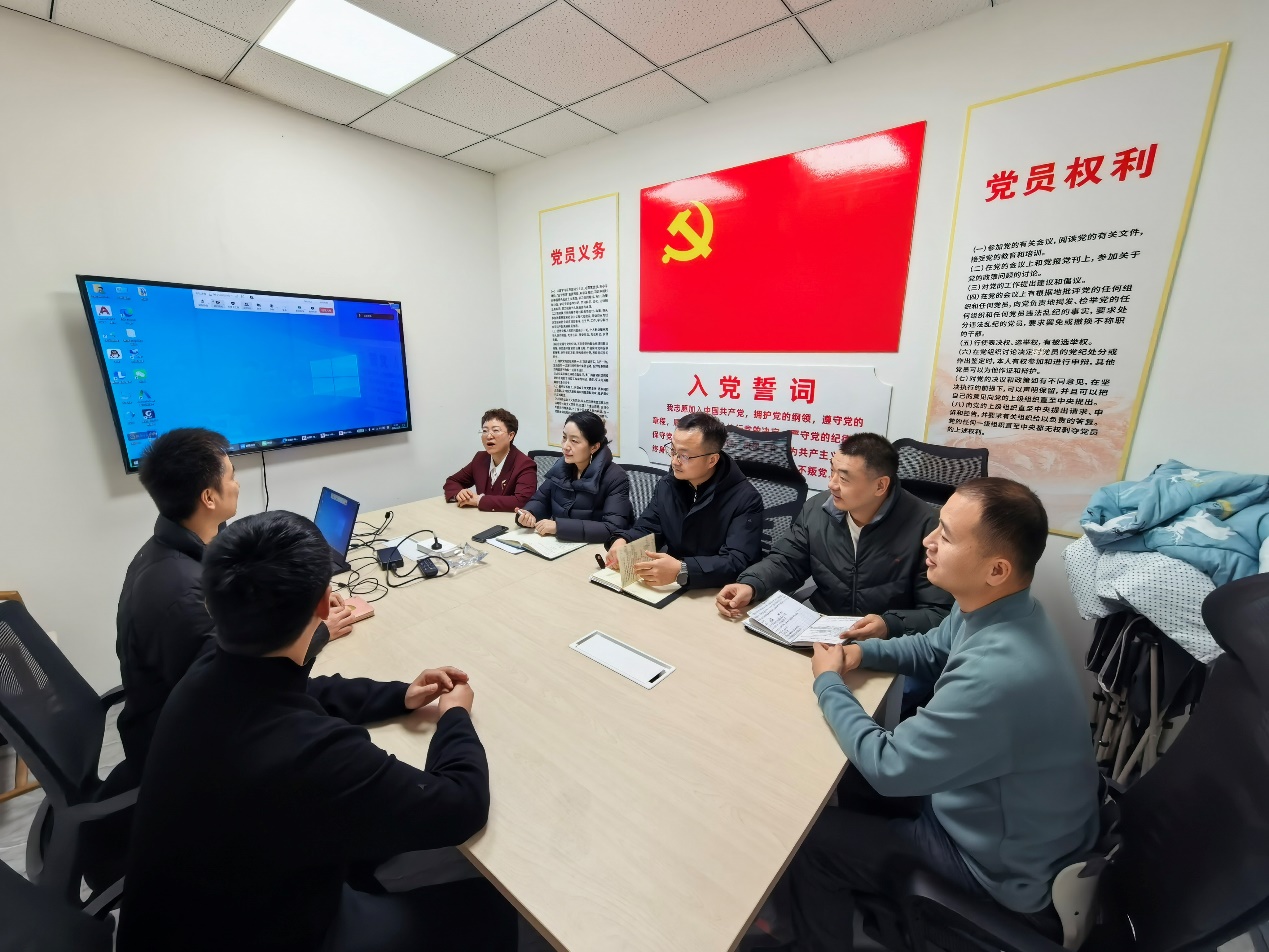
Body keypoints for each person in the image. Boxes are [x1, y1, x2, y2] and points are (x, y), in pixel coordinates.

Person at [117, 511, 517, 952]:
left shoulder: (208, 671)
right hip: (265, 933)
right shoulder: (309, 751)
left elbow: (306, 689)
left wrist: (400, 695)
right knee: (490, 910)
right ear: (326, 605)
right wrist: (454, 716)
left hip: (183, 918)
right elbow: (461, 806)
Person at [776, 478, 1099, 951]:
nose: (928, 540)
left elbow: (890, 767)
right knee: (838, 780)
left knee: (809, 843)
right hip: (976, 811)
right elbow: (931, 648)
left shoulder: (998, 672)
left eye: (945, 535)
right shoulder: (1001, 610)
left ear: (996, 569)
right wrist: (860, 654)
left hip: (997, 870)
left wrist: (828, 682)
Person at [116, 428, 354, 770]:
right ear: (209, 498)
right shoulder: (184, 595)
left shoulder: (165, 551)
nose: (238, 484)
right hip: (186, 753)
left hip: (175, 715)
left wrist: (301, 596)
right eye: (231, 476)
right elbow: (247, 683)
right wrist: (318, 628)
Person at [717, 433, 951, 642]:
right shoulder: (818, 509)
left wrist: (890, 625)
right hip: (822, 632)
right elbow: (786, 561)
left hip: (889, 644)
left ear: (880, 486)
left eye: (844, 479)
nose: (832, 484)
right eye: (832, 471)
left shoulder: (928, 528)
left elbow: (939, 612)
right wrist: (751, 584)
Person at [605, 412, 762, 590]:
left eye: (684, 456)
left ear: (712, 460)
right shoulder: (668, 485)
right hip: (671, 586)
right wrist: (624, 541)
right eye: (673, 450)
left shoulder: (745, 499)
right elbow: (648, 529)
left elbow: (737, 561)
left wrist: (683, 569)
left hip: (716, 591)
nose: (674, 461)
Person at [516, 410, 631, 543]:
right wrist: (529, 513)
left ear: (594, 447)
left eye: (574, 441)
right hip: (560, 543)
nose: (565, 446)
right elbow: (541, 500)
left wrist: (559, 527)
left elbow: (613, 528)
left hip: (594, 548)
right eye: (564, 438)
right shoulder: (561, 467)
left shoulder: (615, 477)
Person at [443, 408, 536, 512]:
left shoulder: (524, 464)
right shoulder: (480, 458)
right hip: (480, 517)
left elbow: (521, 501)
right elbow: (452, 481)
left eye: (495, 430)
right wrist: (459, 493)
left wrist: (479, 500)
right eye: (485, 431)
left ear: (510, 436)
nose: (489, 436)